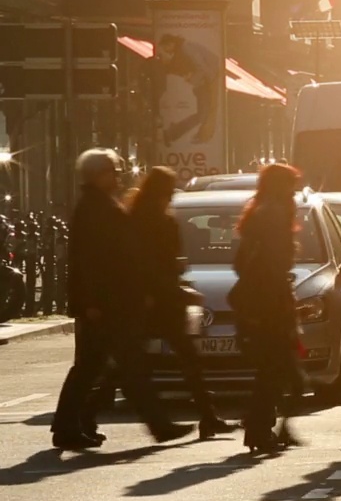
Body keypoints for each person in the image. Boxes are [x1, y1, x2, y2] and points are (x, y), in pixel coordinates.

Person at [51, 149, 192, 450]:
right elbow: (90, 261)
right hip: (107, 305)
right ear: (100, 175)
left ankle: (66, 426)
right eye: (113, 172)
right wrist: (92, 303)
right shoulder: (95, 209)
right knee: (130, 367)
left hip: (108, 303)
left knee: (90, 368)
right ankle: (160, 426)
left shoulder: (98, 205)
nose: (117, 178)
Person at [129, 166, 235, 439]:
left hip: (153, 299)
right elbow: (157, 264)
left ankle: (206, 417)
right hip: (160, 300)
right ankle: (199, 419)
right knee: (177, 362)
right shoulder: (158, 221)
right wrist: (175, 285)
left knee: (171, 361)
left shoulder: (138, 217)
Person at [231, 164, 305, 454]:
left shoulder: (260, 212)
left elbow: (240, 263)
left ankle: (261, 425)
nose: (295, 192)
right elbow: (274, 266)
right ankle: (259, 429)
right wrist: (280, 302)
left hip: (262, 302)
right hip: (270, 304)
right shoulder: (274, 215)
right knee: (275, 369)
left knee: (273, 368)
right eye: (291, 186)